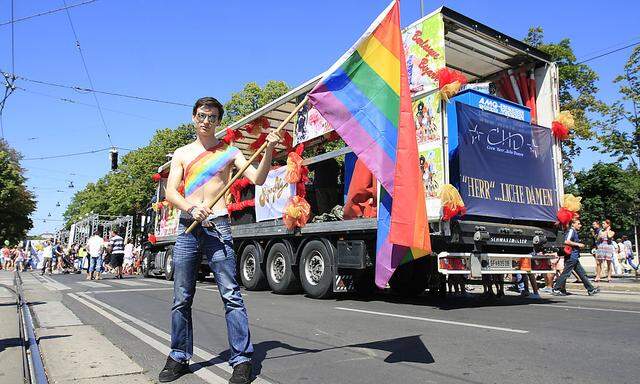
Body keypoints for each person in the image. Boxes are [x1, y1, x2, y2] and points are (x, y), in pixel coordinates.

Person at [159, 97, 280, 384]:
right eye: (202, 115)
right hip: (189, 226)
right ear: (193, 117)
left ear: (218, 121)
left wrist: (270, 149)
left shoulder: (229, 151)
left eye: (212, 117)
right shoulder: (182, 153)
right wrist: (190, 207)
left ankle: (242, 360)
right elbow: (171, 193)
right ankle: (178, 356)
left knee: (231, 295)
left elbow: (258, 178)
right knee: (182, 297)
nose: (206, 121)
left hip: (219, 225)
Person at [553, 218, 600, 296]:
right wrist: (578, 244)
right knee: (566, 273)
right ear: (573, 224)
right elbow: (566, 241)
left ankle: (590, 289)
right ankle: (556, 289)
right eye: (578, 224)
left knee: (582, 274)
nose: (580, 225)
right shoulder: (571, 230)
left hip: (574, 256)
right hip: (571, 256)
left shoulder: (573, 231)